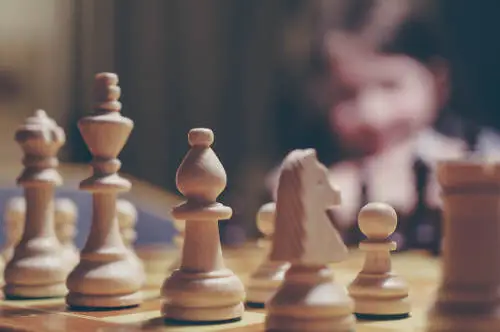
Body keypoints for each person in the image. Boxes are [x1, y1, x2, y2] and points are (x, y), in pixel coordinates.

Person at [266, 0, 500, 246]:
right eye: (346, 93)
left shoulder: (485, 156)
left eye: (390, 86)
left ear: (438, 83)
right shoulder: (314, 168)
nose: (371, 115)